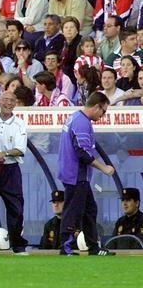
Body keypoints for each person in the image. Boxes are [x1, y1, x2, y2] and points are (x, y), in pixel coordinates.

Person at [58, 92, 116, 256]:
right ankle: (66, 248)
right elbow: (82, 153)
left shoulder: (75, 117)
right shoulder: (82, 123)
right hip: (76, 175)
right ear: (96, 106)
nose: (103, 115)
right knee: (73, 211)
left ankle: (93, 248)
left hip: (73, 173)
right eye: (103, 111)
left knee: (90, 209)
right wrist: (104, 168)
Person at [0, 91, 29, 255]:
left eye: (12, 100)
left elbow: (20, 149)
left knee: (16, 208)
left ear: (15, 103)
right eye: (5, 99)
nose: (8, 103)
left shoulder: (19, 124)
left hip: (10, 170)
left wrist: (3, 154)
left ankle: (18, 246)